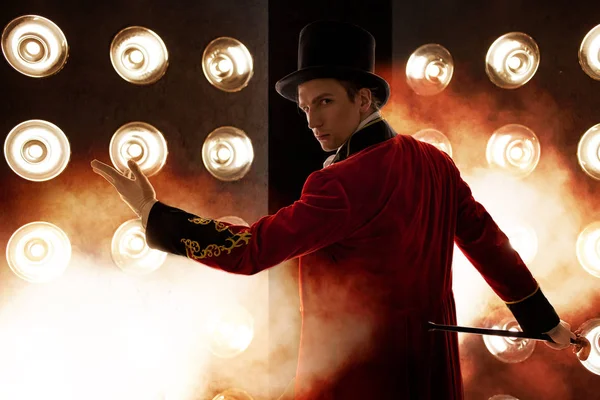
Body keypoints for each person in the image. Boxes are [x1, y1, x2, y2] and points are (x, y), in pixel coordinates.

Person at [91, 21, 576, 400]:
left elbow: (251, 250)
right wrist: (542, 321)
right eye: (305, 108)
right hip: (434, 373)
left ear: (363, 100)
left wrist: (154, 216)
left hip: (362, 381)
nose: (313, 120)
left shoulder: (340, 184)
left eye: (324, 102)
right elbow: (489, 244)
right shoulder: (435, 162)